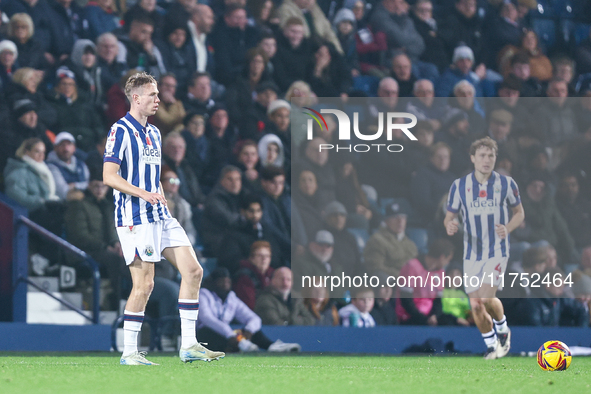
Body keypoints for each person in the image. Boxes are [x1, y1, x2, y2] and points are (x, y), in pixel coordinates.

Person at [102, 71, 224, 365]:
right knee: (144, 284)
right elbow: (108, 176)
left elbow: (153, 177)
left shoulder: (155, 133)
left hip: (160, 214)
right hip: (134, 216)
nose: (158, 99)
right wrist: (142, 193)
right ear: (136, 98)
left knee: (194, 271)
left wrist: (158, 197)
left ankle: (189, 345)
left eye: (158, 94)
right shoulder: (120, 130)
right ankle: (129, 352)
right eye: (153, 94)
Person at [444, 136, 525, 359]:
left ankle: (502, 329)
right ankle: (491, 345)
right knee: (477, 306)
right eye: (482, 155)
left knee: (488, 298)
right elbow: (449, 216)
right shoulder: (459, 186)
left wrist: (507, 228)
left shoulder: (506, 184)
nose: (487, 160)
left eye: (491, 155)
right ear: (473, 158)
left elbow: (520, 213)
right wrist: (450, 224)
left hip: (497, 250)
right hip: (471, 254)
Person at [198, 267, 301, 353]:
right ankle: (240, 345)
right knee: (211, 332)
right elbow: (207, 319)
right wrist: (229, 334)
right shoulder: (203, 294)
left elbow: (254, 318)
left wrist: (249, 331)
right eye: (221, 281)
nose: (225, 284)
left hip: (227, 335)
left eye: (227, 281)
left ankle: (271, 346)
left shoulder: (231, 298)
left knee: (253, 331)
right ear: (213, 282)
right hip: (201, 335)